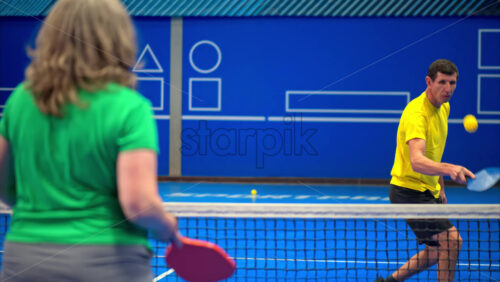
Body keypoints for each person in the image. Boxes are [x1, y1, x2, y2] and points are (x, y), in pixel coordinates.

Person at [0, 0, 179, 281]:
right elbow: (139, 204)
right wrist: (166, 226)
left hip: (24, 258)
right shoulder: (129, 107)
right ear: (117, 37)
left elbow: (5, 186)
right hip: (108, 261)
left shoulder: (19, 100)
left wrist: (41, 210)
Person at [376, 59, 475, 282]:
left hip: (427, 190)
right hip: (407, 191)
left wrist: (439, 186)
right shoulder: (416, 114)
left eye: (452, 83)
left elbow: (433, 151)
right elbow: (417, 160)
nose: (447, 89)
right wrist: (450, 169)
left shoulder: (444, 107)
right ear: (428, 82)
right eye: (442, 82)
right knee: (452, 240)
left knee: (435, 251)